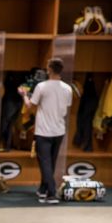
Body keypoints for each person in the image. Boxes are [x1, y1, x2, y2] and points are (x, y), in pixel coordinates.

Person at [26, 57, 73, 203]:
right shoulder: (68, 88)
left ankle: (52, 193)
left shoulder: (42, 86)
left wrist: (23, 96)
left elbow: (30, 105)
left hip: (43, 131)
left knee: (45, 163)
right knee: (50, 163)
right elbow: (66, 107)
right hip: (59, 131)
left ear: (50, 69)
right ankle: (43, 190)